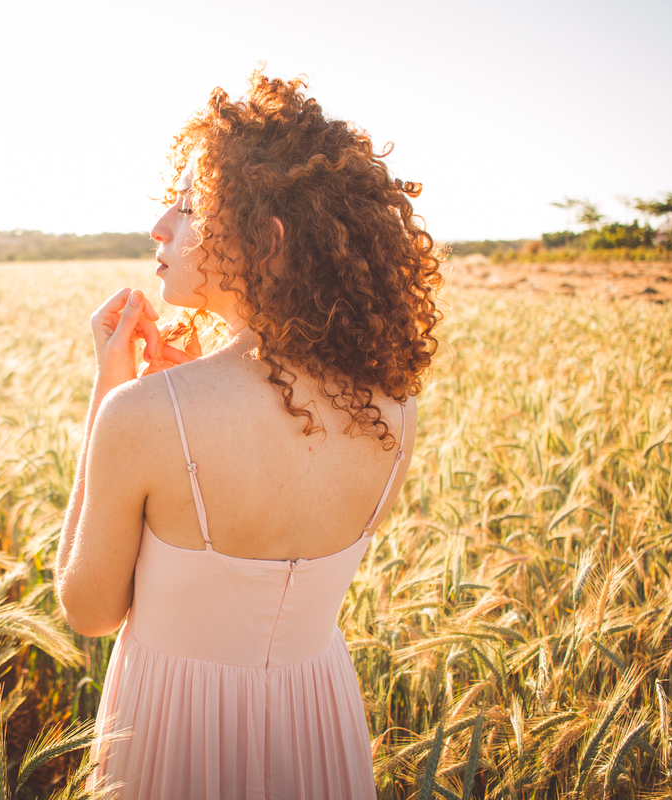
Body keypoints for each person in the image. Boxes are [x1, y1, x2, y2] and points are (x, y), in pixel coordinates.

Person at [54, 72, 442, 800]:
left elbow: (88, 609)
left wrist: (112, 392)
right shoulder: (396, 407)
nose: (159, 227)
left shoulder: (144, 417)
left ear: (262, 237)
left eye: (189, 205)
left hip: (172, 735)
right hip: (316, 724)